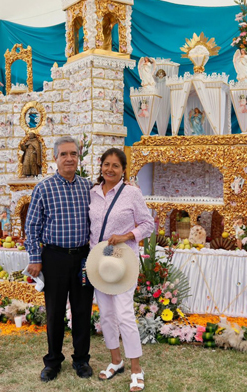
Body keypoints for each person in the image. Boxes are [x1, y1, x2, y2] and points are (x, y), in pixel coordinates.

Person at [25, 136, 94, 383]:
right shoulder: (43, 188)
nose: (69, 158)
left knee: (82, 310)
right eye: (63, 154)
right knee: (54, 312)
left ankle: (81, 359)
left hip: (84, 259)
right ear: (55, 158)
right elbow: (32, 226)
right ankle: (53, 361)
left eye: (73, 154)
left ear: (78, 157)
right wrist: (35, 258)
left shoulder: (89, 187)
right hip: (53, 258)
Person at [88, 148, 153, 391]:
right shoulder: (92, 193)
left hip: (123, 261)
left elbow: (148, 224)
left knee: (124, 314)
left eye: (116, 165)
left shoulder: (132, 193)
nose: (110, 169)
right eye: (106, 164)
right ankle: (116, 361)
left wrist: (127, 235)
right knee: (106, 315)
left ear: (123, 170)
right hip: (100, 262)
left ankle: (137, 368)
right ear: (101, 166)